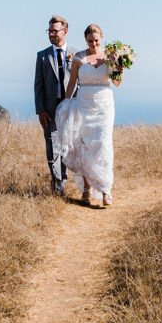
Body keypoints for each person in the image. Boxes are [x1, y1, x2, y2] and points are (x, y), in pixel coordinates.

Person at [54, 24, 121, 207]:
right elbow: (72, 83)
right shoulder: (78, 58)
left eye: (96, 40)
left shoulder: (110, 57)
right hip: (83, 105)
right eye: (90, 41)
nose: (94, 44)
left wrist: (117, 65)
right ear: (85, 40)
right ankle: (86, 189)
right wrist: (66, 105)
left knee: (103, 144)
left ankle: (106, 190)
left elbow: (116, 82)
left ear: (102, 38)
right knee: (84, 145)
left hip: (104, 106)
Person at [34, 15, 73, 196]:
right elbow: (38, 85)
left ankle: (65, 180)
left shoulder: (76, 54)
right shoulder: (42, 56)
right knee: (52, 147)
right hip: (49, 109)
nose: (51, 34)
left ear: (64, 32)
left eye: (54, 31)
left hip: (70, 108)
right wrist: (40, 110)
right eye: (49, 31)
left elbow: (80, 83)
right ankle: (58, 185)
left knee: (67, 147)